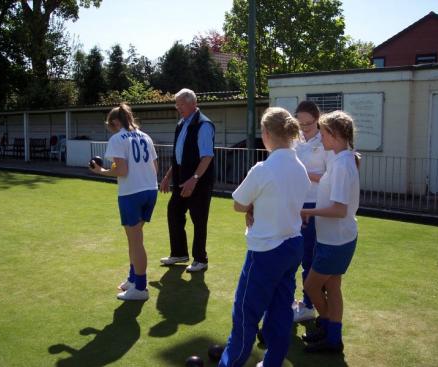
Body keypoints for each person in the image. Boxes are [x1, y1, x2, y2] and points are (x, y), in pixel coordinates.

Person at [219, 107, 310, 367]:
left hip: (266, 250)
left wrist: (252, 207)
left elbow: (238, 202)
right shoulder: (299, 167)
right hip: (293, 245)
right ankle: (273, 362)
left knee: (246, 313)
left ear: (267, 133)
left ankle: (231, 363)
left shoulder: (263, 168)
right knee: (281, 309)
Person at [300, 110, 360, 353]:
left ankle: (327, 329)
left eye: (323, 133)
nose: (320, 138)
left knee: (311, 286)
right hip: (334, 238)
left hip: (336, 240)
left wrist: (308, 213)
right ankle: (331, 338)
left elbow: (338, 209)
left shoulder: (343, 164)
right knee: (333, 287)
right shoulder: (339, 160)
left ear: (334, 135)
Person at [89, 103, 158, 301]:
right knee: (134, 239)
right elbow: (154, 165)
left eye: (111, 125)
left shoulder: (117, 138)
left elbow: (122, 170)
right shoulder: (145, 136)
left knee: (135, 241)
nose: (111, 129)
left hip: (131, 193)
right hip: (149, 190)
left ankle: (141, 288)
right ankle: (133, 278)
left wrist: (100, 171)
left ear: (116, 122)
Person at [159, 88, 215, 273]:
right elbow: (178, 156)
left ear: (193, 103)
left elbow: (207, 157)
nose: (178, 107)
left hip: (199, 183)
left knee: (199, 220)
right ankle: (179, 253)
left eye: (180, 104)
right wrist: (168, 177)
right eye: (176, 104)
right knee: (174, 211)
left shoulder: (204, 125)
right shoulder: (181, 123)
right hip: (182, 180)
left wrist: (194, 179)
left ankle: (201, 259)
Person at [292, 100, 331, 322]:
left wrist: (305, 174)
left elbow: (332, 177)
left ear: (318, 119)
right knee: (292, 253)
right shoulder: (294, 139)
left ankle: (309, 305)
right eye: (301, 123)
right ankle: (298, 301)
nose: (304, 128)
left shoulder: (326, 140)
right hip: (295, 204)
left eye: (309, 123)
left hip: (315, 205)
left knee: (309, 256)